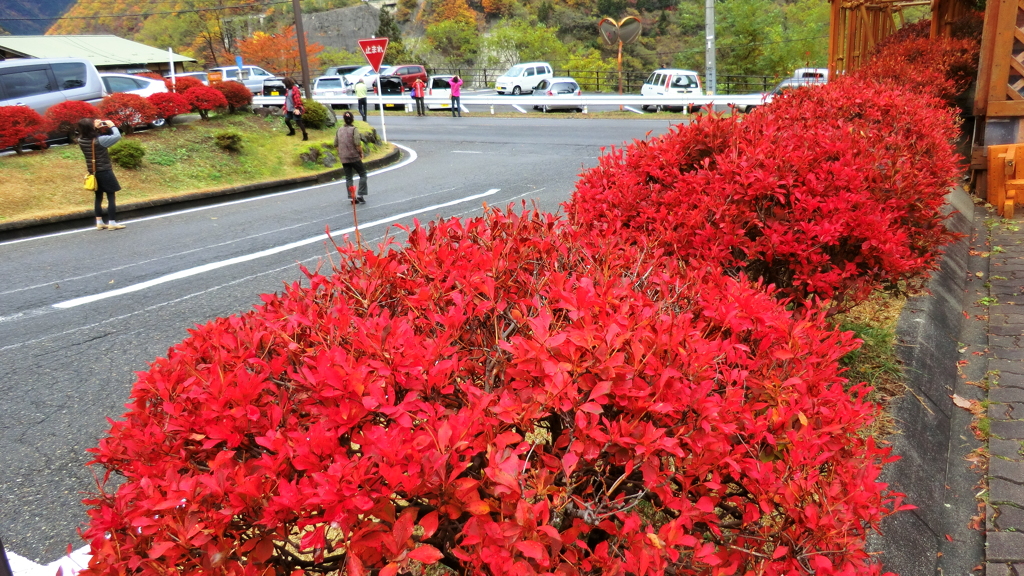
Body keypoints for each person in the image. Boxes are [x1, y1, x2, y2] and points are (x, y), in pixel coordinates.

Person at [78, 117, 126, 231]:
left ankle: (99, 222)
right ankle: (112, 222)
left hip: (93, 172)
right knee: (111, 196)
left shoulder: (80, 140)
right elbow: (117, 136)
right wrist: (112, 125)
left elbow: (90, 136)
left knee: (98, 196)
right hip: (105, 171)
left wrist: (95, 128)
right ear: (91, 127)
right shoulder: (100, 140)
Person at [334, 111, 367, 204]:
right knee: (363, 174)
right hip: (354, 156)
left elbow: (335, 144)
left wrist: (341, 152)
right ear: (352, 119)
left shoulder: (339, 130)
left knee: (348, 177)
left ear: (344, 120)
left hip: (343, 157)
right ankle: (360, 194)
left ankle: (352, 197)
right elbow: (357, 143)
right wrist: (361, 153)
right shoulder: (354, 129)